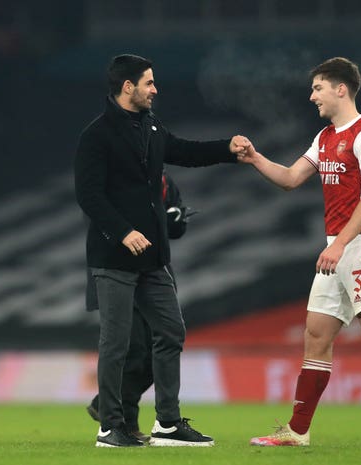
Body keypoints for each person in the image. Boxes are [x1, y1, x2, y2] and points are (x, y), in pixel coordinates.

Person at [74, 54, 250, 448]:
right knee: (116, 342)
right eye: (149, 83)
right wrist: (123, 232)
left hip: (154, 259)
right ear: (127, 87)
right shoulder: (96, 135)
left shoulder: (150, 127)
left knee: (171, 331)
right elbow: (89, 195)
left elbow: (184, 151)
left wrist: (228, 148)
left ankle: (167, 423)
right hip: (114, 258)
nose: (155, 90)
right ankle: (110, 426)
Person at [241, 57, 361, 446]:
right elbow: (291, 178)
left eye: (318, 88)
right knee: (316, 333)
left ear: (341, 89)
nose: (312, 97)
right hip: (336, 247)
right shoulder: (325, 138)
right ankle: (297, 431)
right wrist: (256, 158)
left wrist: (341, 244)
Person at [85, 171, 190, 443]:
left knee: (157, 347)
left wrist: (173, 220)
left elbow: (177, 227)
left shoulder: (164, 182)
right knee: (134, 349)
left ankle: (111, 409)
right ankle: (123, 423)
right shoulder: (115, 179)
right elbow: (97, 215)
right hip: (118, 269)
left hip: (155, 271)